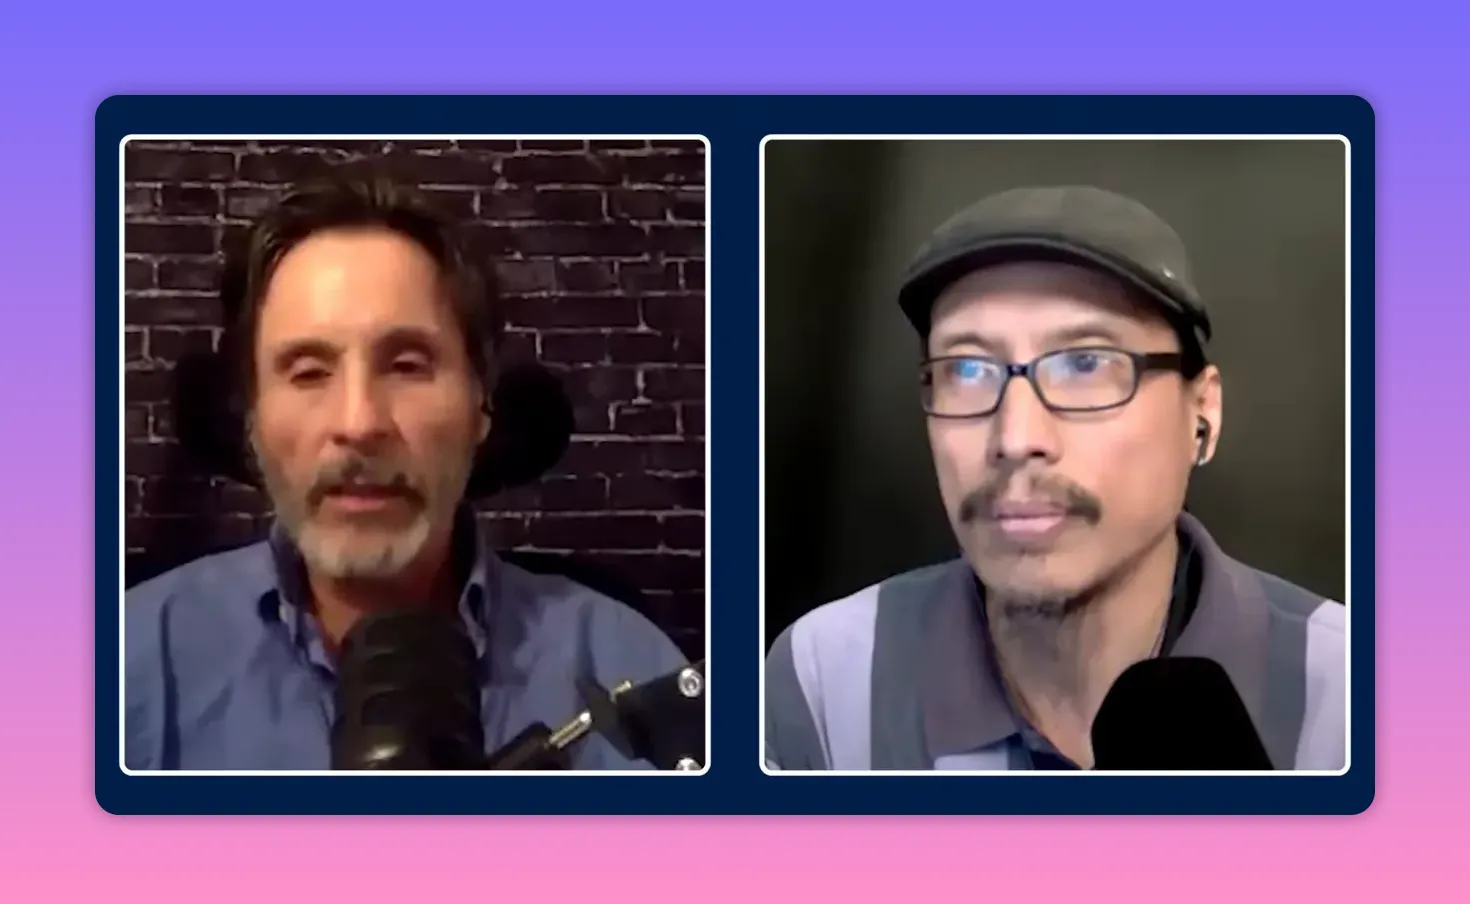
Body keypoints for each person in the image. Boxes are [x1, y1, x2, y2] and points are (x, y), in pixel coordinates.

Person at [764, 185, 1346, 772]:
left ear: (1203, 413)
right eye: (966, 369)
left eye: (1086, 363)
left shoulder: (1358, 699)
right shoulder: (828, 682)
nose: (1016, 438)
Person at [125, 174, 688, 771]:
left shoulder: (630, 665)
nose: (360, 422)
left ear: (480, 407)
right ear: (253, 419)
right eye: (309, 371)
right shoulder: (120, 669)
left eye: (408, 366)